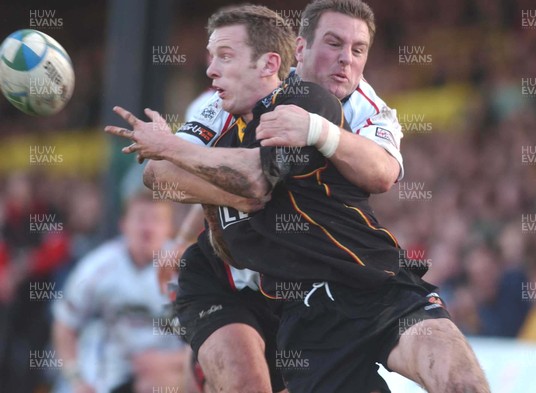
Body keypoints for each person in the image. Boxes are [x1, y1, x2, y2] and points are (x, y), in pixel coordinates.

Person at [106, 3, 489, 393]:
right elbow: (160, 174)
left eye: (358, 50)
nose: (345, 59)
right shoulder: (228, 99)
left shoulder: (330, 105)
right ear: (299, 50)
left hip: (359, 284)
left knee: (462, 382)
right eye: (334, 43)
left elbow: (381, 173)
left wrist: (321, 132)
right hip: (253, 284)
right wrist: (206, 196)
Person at [52, 191, 189, 393]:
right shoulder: (98, 267)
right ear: (123, 224)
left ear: (170, 228)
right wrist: (76, 378)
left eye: (157, 219)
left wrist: (169, 362)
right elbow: (64, 325)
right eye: (140, 218)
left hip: (169, 374)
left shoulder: (187, 269)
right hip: (108, 376)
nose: (148, 228)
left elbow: (212, 336)